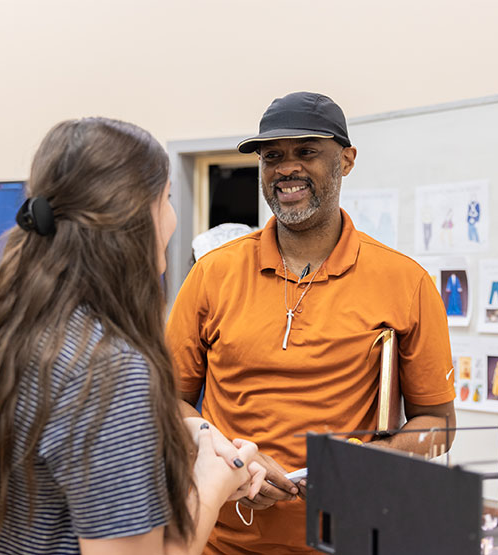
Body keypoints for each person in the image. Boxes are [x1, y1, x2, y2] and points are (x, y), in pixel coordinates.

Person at [0, 118, 265, 555]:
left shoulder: (1, 325)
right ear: (133, 217)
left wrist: (175, 432)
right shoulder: (109, 369)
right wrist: (213, 482)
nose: (172, 219)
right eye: (165, 200)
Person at [167, 92, 456, 554]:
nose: (285, 169)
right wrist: (225, 456)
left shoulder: (405, 282)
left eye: (306, 152)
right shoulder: (212, 274)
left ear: (346, 159)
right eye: (272, 156)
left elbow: (438, 426)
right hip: (224, 542)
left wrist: (365, 463)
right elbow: (168, 403)